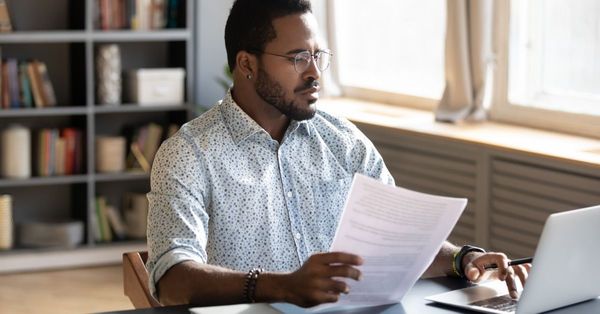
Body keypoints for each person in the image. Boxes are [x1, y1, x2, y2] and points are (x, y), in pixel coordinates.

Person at [146, 0, 530, 308]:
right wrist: (281, 287)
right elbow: (172, 280)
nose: (315, 73)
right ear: (247, 64)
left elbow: (399, 243)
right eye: (298, 58)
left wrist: (463, 260)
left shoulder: (343, 141)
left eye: (318, 56)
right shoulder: (188, 154)